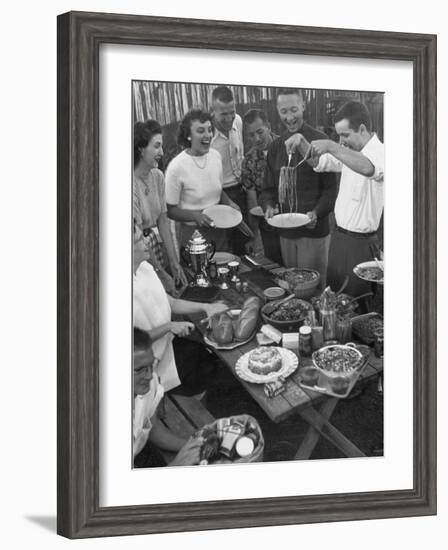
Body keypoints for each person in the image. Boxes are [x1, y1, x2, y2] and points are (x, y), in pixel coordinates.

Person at [287, 101, 384, 296]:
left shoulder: (382, 152)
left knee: (356, 303)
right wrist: (300, 141)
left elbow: (367, 168)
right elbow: (318, 162)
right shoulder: (348, 151)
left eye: (345, 135)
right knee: (333, 297)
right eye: (339, 136)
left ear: (362, 129)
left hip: (361, 245)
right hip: (338, 238)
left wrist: (331, 145)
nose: (342, 141)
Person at [133, 220, 228, 394]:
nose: (147, 242)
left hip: (168, 344)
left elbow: (171, 302)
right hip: (150, 363)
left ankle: (204, 395)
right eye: (140, 240)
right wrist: (169, 327)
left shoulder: (144, 268)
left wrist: (206, 307)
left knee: (207, 354)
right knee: (207, 365)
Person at [260, 88, 338, 288]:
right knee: (292, 285)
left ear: (303, 106)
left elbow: (331, 190)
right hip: (286, 232)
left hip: (314, 232)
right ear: (278, 111)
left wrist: (316, 213)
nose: (290, 117)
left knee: (314, 287)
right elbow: (267, 188)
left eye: (294, 109)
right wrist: (268, 206)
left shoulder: (320, 141)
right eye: (284, 111)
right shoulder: (276, 147)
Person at [165, 108, 240, 251]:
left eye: (209, 130)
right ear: (188, 135)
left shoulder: (216, 156)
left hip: (218, 229)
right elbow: (170, 211)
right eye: (200, 131)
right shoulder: (176, 167)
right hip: (193, 234)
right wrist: (195, 216)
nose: (207, 135)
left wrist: (229, 202)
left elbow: (217, 189)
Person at [133, 327, 204, 467]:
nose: (148, 375)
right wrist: (177, 464)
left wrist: (194, 447)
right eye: (139, 369)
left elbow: (155, 430)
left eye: (151, 365)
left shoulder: (149, 383)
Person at [134, 120, 187, 295]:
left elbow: (163, 221)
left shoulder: (157, 176)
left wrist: (173, 262)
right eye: (156, 146)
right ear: (141, 149)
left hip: (154, 248)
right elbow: (138, 236)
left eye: (161, 146)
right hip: (137, 253)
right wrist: (160, 273)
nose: (162, 152)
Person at [210, 86, 247, 254]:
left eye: (231, 111)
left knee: (244, 245)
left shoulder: (237, 121)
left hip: (242, 191)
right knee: (223, 248)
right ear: (213, 112)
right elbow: (207, 179)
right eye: (223, 114)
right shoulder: (206, 136)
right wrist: (227, 201)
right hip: (219, 196)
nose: (229, 118)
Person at [241, 108, 281, 261]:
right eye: (251, 135)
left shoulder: (286, 147)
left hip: (291, 221)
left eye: (260, 132)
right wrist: (254, 235)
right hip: (267, 223)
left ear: (268, 127)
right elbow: (252, 201)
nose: (257, 138)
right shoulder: (249, 160)